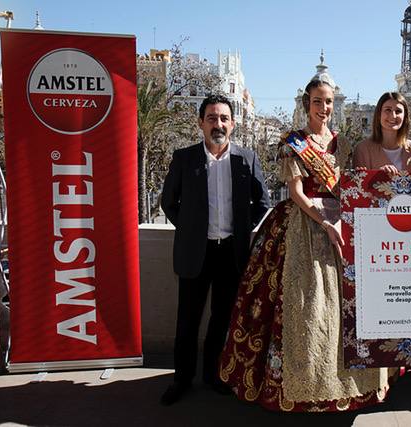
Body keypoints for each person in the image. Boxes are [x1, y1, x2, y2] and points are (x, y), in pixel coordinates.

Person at [219, 72, 393, 411]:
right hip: (302, 224)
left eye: (328, 101)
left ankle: (346, 384)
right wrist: (325, 221)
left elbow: (350, 186)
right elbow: (296, 193)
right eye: (317, 101)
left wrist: (378, 180)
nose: (324, 107)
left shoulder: (342, 144)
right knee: (303, 303)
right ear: (306, 104)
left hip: (340, 222)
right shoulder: (294, 142)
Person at [159, 94, 270, 406]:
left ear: (232, 124)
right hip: (196, 252)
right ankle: (181, 378)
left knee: (222, 319)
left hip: (230, 255)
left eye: (223, 118)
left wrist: (242, 232)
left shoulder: (246, 159)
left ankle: (213, 375)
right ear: (200, 123)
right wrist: (192, 229)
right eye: (211, 118)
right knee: (188, 320)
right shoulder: (184, 158)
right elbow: (169, 202)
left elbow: (262, 202)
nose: (218, 124)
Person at [353, 92, 411, 173]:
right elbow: (357, 183)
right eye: (388, 110)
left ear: (405, 117)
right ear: (379, 114)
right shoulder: (363, 150)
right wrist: (378, 176)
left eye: (398, 111)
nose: (393, 116)